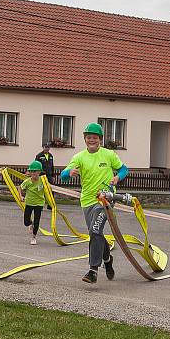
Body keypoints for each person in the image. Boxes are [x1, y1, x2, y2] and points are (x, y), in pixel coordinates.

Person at [61, 122, 128, 284]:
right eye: (89, 137)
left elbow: (124, 169)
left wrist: (118, 177)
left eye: (95, 137)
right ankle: (107, 259)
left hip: (105, 199)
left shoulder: (108, 154)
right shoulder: (79, 157)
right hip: (87, 201)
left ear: (100, 139)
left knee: (95, 229)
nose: (92, 140)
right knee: (94, 233)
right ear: (85, 139)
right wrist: (69, 172)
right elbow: (63, 175)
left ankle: (93, 270)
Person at [19, 161, 48, 245]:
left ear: (39, 172)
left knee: (37, 221)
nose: (33, 173)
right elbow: (20, 188)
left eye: (35, 171)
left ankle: (33, 237)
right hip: (29, 202)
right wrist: (20, 196)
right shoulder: (27, 181)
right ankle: (30, 224)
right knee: (26, 222)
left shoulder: (43, 180)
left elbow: (48, 188)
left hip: (39, 203)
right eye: (31, 171)